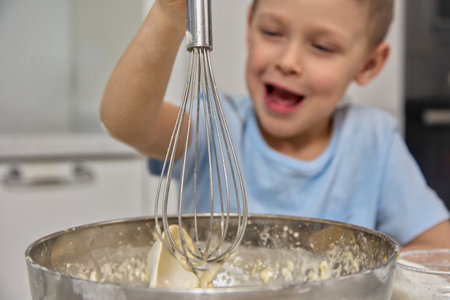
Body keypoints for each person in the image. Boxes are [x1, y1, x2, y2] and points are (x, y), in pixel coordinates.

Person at [100, 0, 450, 250]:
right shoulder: (216, 126)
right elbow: (127, 122)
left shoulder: (373, 140)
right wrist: (168, 13)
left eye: (322, 47)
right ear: (249, 28)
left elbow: (439, 244)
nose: (288, 62)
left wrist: (365, 279)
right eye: (272, 32)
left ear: (370, 64)